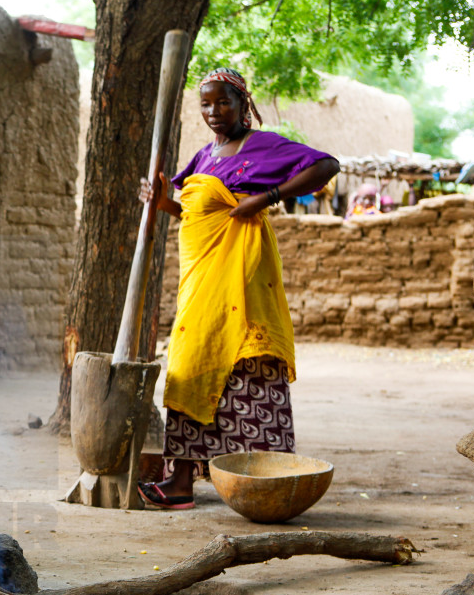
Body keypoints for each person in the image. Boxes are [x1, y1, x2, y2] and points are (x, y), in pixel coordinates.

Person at [137, 67, 339, 510]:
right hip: (200, 279)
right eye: (206, 104)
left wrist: (269, 197)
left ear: (243, 103)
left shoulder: (262, 146)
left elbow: (327, 165)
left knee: (245, 368)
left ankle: (265, 485)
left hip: (242, 278)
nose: (214, 111)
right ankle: (181, 482)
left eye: (222, 102)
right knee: (190, 367)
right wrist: (159, 200)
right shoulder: (205, 157)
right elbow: (193, 215)